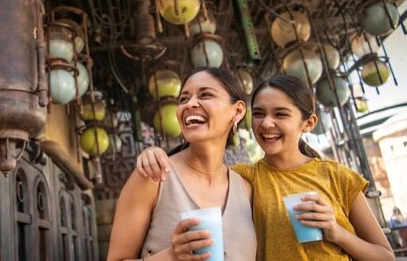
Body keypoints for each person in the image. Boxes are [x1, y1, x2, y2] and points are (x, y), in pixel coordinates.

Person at [135, 75, 395, 261]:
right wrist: (154, 154)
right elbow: (201, 167)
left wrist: (337, 233)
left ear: (309, 122)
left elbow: (385, 256)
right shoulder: (244, 178)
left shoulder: (337, 176)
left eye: (281, 114)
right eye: (258, 114)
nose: (266, 123)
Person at [107, 67, 257, 261]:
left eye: (205, 95)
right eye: (184, 99)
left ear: (237, 111)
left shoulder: (246, 190)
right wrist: (170, 256)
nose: (190, 104)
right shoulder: (154, 175)